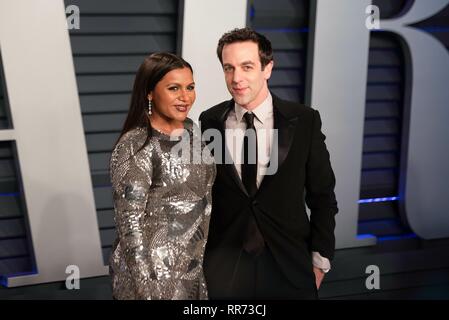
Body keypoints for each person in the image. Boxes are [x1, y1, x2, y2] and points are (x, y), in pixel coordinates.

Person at [199, 28, 338, 299]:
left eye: (247, 67)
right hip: (225, 272)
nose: (236, 78)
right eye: (229, 68)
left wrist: (320, 262)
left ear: (268, 68)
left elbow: (323, 195)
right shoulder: (209, 121)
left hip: (290, 269)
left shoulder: (304, 120)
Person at [109, 52, 216, 300]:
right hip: (152, 277)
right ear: (149, 92)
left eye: (190, 87)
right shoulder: (136, 145)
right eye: (174, 88)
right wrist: (145, 291)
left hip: (191, 268)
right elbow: (129, 227)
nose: (185, 97)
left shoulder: (191, 130)